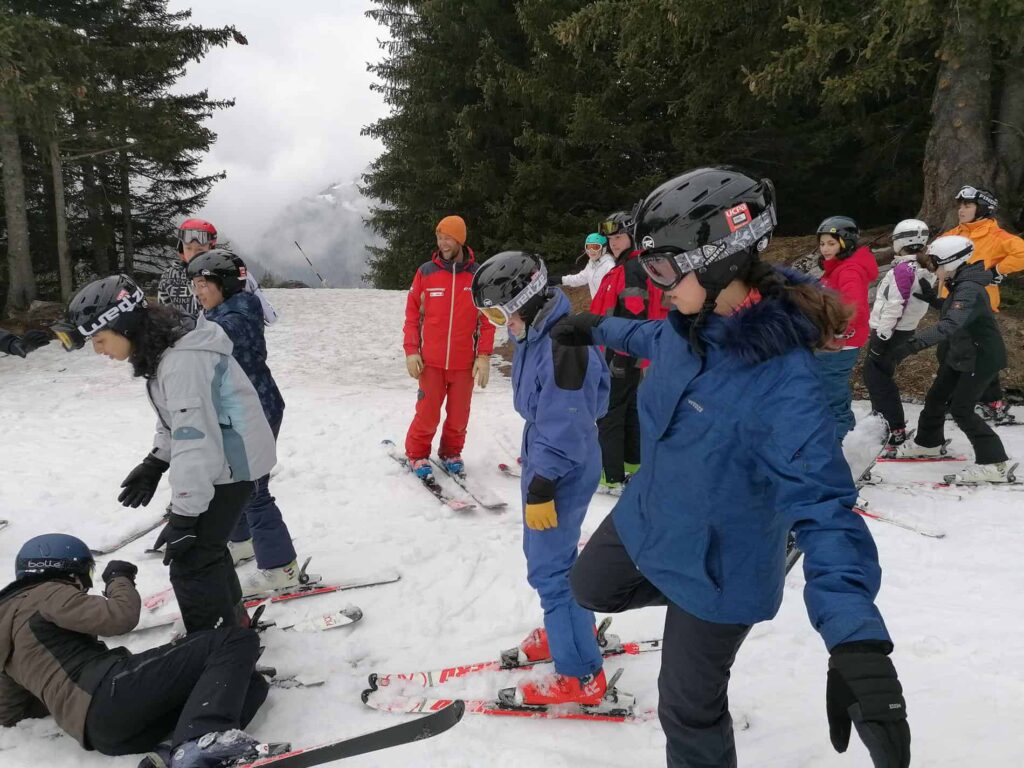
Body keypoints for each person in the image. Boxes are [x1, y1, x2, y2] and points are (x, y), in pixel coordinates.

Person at [552, 167, 909, 768]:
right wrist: (594, 328)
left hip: (721, 567)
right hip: (651, 515)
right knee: (590, 587)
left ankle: (708, 626)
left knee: (686, 708)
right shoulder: (687, 326)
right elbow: (646, 338)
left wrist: (859, 644)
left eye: (663, 269)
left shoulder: (782, 384)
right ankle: (686, 601)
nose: (655, 284)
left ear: (719, 262)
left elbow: (826, 507)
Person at [55, 274, 276, 633]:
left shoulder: (181, 361)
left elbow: (195, 441)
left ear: (122, 324)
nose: (99, 350)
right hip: (230, 456)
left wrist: (185, 516)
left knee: (192, 560)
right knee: (210, 550)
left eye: (100, 339)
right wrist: (155, 461)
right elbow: (176, 421)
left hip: (232, 463)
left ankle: (214, 650)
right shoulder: (164, 353)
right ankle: (233, 631)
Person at [471, 251, 611, 705]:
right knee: (555, 558)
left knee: (550, 568)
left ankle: (579, 674)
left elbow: (568, 423)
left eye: (498, 313)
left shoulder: (562, 345)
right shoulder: (540, 330)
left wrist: (542, 484)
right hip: (552, 453)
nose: (497, 324)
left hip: (561, 465)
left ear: (527, 299)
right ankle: (567, 632)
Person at [0, 534, 271, 768]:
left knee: (249, 684)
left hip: (102, 734)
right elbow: (119, 617)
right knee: (233, 640)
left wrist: (57, 694)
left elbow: (10, 711)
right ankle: (200, 741)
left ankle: (179, 753)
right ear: (71, 573)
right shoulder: (45, 593)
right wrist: (120, 578)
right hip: (109, 693)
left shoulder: (7, 630)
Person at [187, 249, 308, 596]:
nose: (198, 292)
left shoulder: (236, 316)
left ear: (223, 283)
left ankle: (280, 568)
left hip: (254, 412)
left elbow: (210, 341)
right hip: (238, 411)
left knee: (254, 490)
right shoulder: (219, 311)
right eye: (194, 285)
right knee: (231, 481)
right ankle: (241, 541)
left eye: (202, 284)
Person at [891, 236, 1013, 482]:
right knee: (936, 398)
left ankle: (995, 462)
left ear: (950, 262)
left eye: (933, 262)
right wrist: (933, 299)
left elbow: (951, 323)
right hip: (961, 352)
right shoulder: (961, 281)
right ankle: (928, 443)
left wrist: (912, 346)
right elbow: (956, 309)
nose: (930, 267)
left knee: (961, 409)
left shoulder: (968, 287)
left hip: (980, 356)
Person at [402, 215, 495, 478]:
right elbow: (411, 316)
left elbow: (486, 321)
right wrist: (411, 351)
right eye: (439, 237)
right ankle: (417, 454)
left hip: (463, 364)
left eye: (448, 238)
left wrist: (484, 356)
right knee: (427, 414)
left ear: (460, 240)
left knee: (458, 416)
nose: (442, 243)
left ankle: (451, 452)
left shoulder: (477, 276)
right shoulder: (426, 273)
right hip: (430, 362)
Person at [589, 211, 668, 490]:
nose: (614, 243)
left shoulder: (633, 269)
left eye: (619, 237)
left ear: (633, 237)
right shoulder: (625, 267)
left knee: (610, 413)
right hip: (627, 351)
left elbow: (635, 314)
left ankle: (610, 476)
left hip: (621, 352)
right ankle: (632, 464)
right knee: (629, 409)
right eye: (611, 239)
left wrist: (623, 353)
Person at [941, 186, 1024, 425]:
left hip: (977, 307)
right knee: (955, 352)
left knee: (973, 354)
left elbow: (1021, 252)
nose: (961, 209)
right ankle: (972, 400)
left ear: (983, 208)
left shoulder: (995, 236)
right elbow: (933, 255)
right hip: (951, 302)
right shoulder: (953, 234)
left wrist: (996, 270)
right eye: (960, 205)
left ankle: (990, 402)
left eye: (967, 205)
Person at [864, 219, 936, 455]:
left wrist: (882, 336)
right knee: (880, 377)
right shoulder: (921, 266)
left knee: (878, 380)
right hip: (903, 330)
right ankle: (882, 421)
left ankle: (893, 429)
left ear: (902, 241)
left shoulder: (904, 270)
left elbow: (896, 304)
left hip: (892, 332)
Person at [815, 215, 879, 442]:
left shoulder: (849, 270)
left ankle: (844, 442)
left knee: (832, 391)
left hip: (841, 343)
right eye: (822, 243)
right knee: (826, 388)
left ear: (846, 243)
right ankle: (834, 436)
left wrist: (839, 331)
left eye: (831, 243)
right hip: (830, 339)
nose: (825, 249)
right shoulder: (838, 267)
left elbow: (855, 307)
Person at [159, 218, 278, 325]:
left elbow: (269, 318)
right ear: (181, 248)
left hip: (220, 344)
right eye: (188, 248)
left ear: (211, 249)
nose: (193, 254)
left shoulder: (226, 274)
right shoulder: (170, 277)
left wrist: (249, 283)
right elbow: (162, 317)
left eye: (200, 250)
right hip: (184, 345)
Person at [554, 232, 615, 299]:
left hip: (608, 307)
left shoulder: (610, 266)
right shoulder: (592, 263)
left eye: (595, 247)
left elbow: (613, 290)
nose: (591, 250)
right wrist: (561, 280)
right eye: (588, 247)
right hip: (597, 306)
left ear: (604, 248)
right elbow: (581, 278)